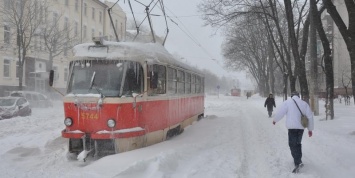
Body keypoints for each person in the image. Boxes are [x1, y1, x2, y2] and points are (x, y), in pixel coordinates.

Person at [272, 91, 314, 172]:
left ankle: (297, 162)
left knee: (292, 144)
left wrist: (275, 120)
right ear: (298, 96)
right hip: (301, 128)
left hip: (292, 129)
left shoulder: (287, 103)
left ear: (291, 96)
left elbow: (281, 112)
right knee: (298, 144)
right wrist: (310, 129)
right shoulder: (304, 104)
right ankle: (298, 160)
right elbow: (310, 117)